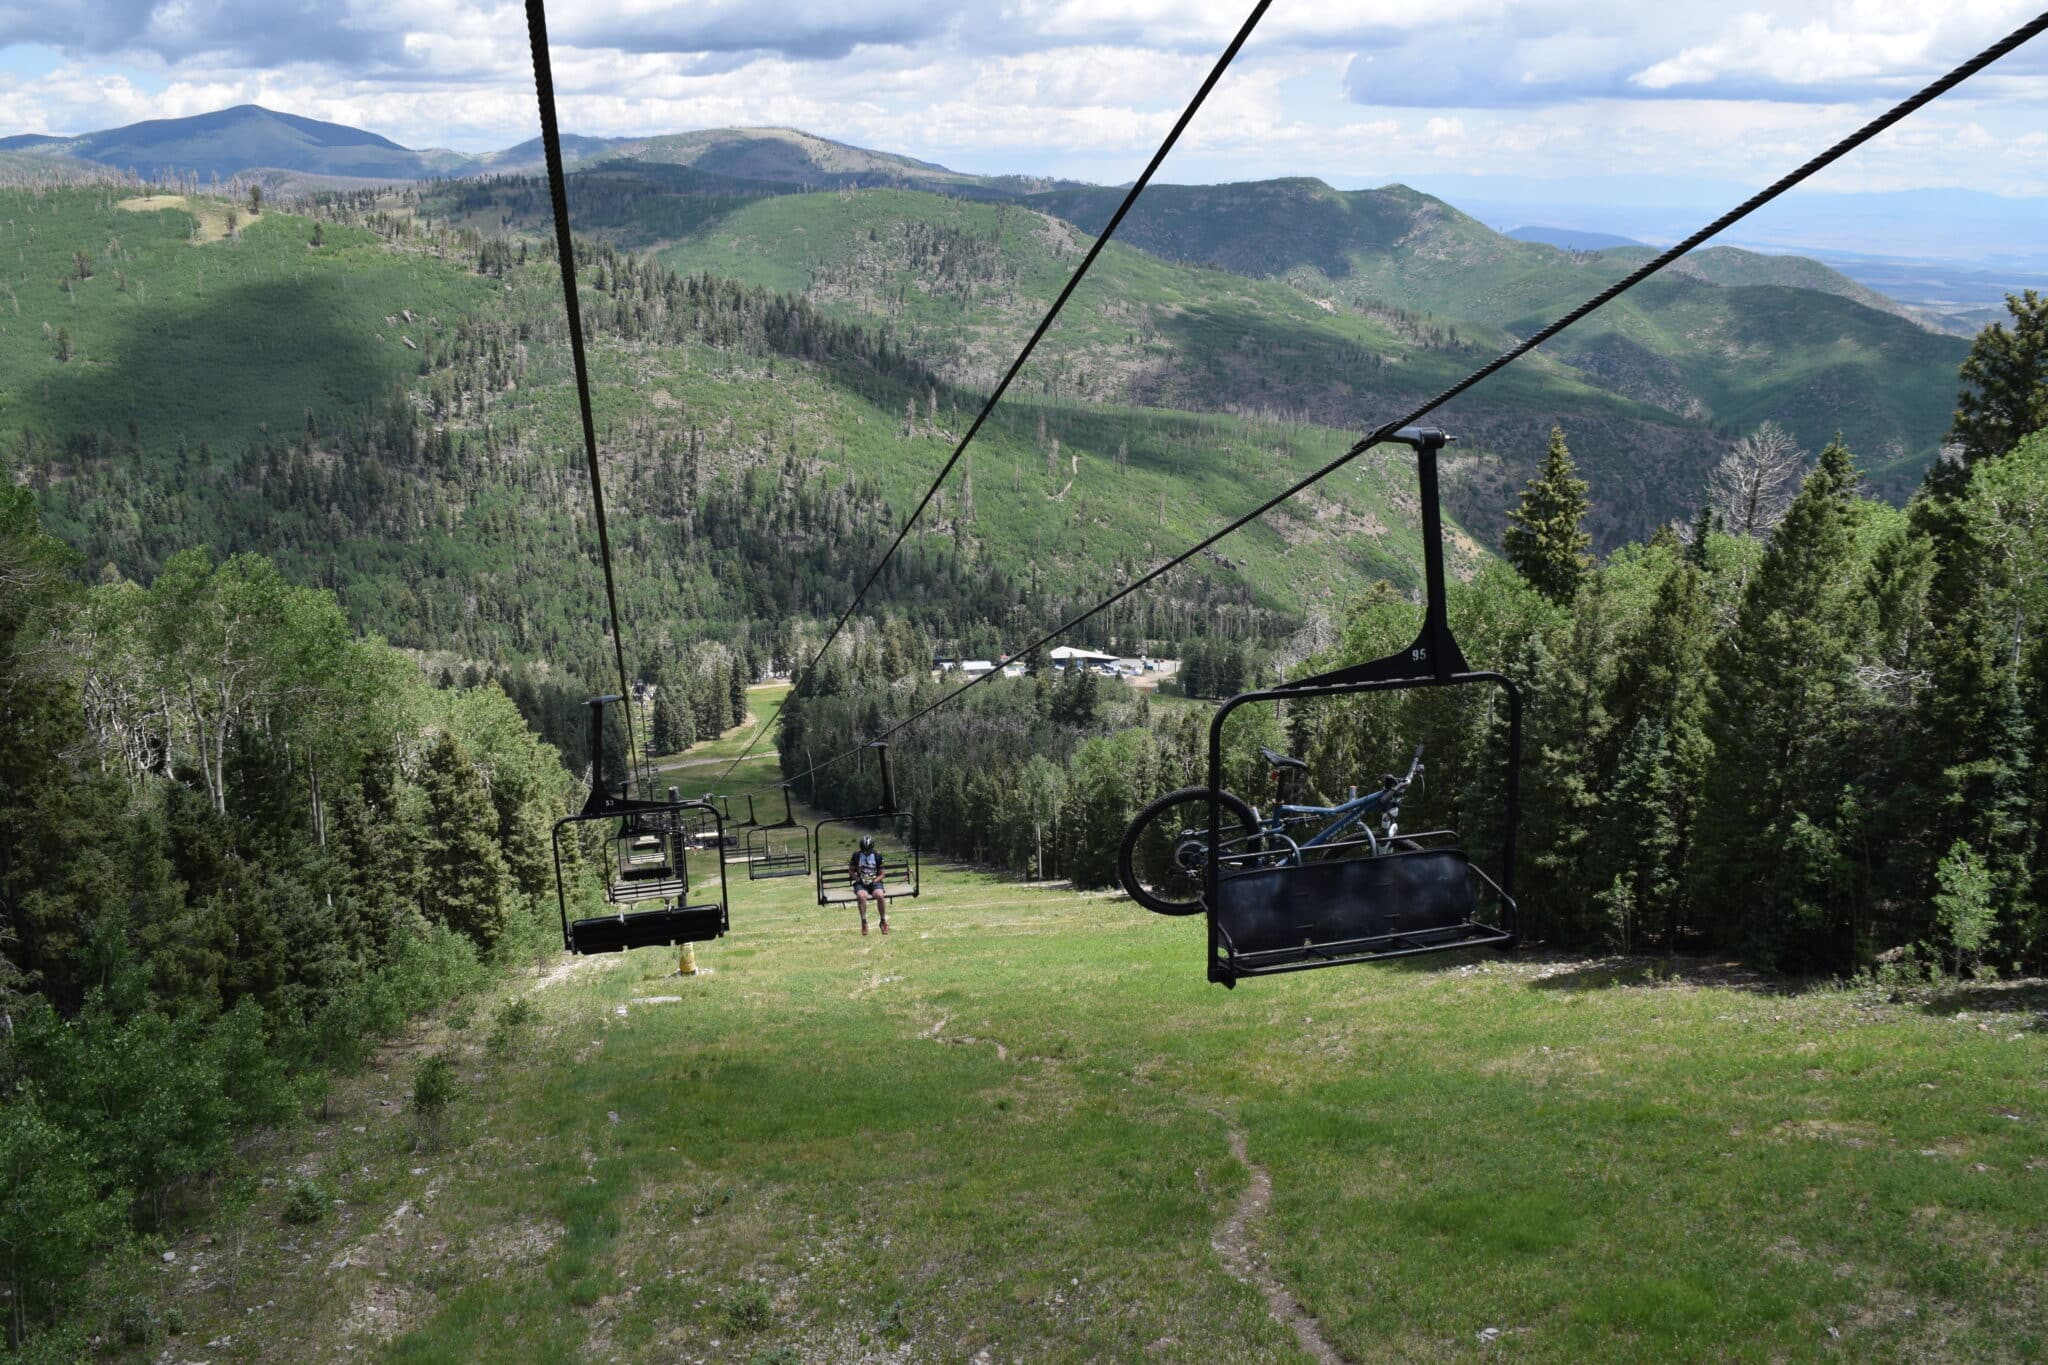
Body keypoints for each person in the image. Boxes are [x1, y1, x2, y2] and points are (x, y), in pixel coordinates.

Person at [850, 834, 889, 935]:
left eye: (867, 850)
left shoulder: (877, 856)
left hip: (874, 882)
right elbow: (851, 871)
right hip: (861, 883)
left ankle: (883, 921)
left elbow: (882, 874)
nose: (865, 852)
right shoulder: (856, 855)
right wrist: (858, 879)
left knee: (880, 895)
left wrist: (874, 881)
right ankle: (864, 921)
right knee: (861, 896)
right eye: (864, 850)